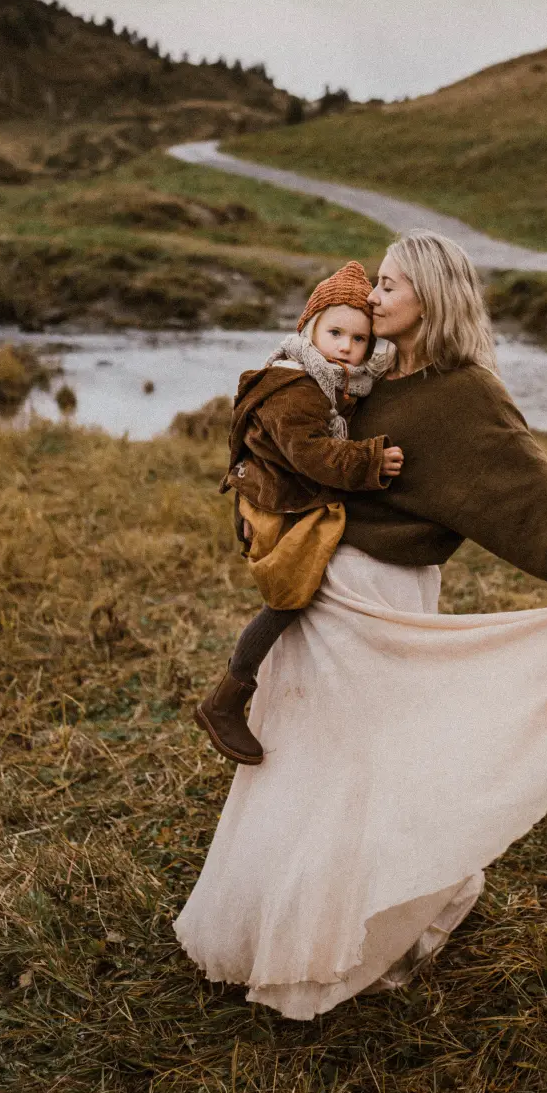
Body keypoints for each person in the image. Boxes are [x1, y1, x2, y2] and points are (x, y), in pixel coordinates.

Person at [175, 231, 547, 1019]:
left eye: (388, 285)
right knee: (308, 758)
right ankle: (278, 935)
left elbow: (525, 483)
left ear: (431, 295)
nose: (371, 297)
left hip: (389, 595)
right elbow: (282, 439)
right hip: (328, 592)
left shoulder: (464, 393)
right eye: (374, 285)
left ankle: (363, 929)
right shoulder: (361, 380)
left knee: (374, 762)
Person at [195, 261, 403, 764]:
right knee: (289, 598)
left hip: (282, 497)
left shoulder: (333, 380)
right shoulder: (296, 387)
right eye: (335, 332)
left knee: (307, 594)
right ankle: (225, 700)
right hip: (278, 505)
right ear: (307, 328)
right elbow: (312, 454)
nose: (347, 348)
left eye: (359, 339)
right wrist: (369, 459)